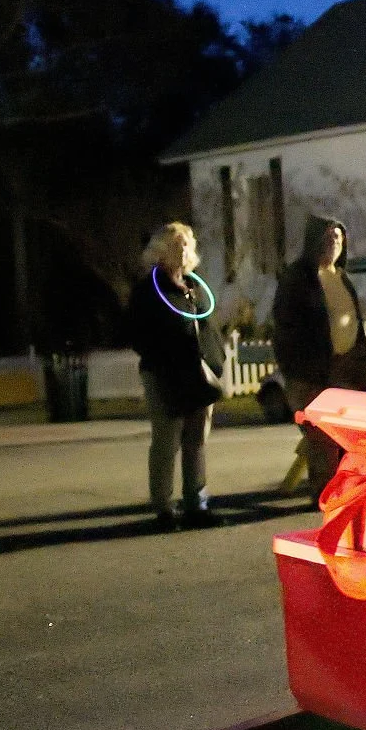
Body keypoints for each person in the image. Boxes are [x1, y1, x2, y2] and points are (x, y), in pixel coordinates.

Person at [273, 215, 366, 495]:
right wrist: (305, 370)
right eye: (328, 237)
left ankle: (349, 488)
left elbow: (352, 319)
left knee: (350, 432)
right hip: (311, 372)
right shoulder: (297, 280)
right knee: (322, 438)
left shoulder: (341, 277)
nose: (334, 243)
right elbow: (287, 331)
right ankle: (325, 495)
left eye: (338, 237)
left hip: (345, 363)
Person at [123, 222, 225, 530]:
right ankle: (164, 508)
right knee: (167, 440)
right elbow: (137, 334)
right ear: (160, 251)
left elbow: (209, 326)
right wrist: (166, 355)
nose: (182, 250)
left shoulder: (194, 284)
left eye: (185, 244)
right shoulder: (148, 290)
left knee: (197, 440)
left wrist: (214, 362)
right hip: (165, 374)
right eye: (175, 245)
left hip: (198, 373)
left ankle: (197, 504)